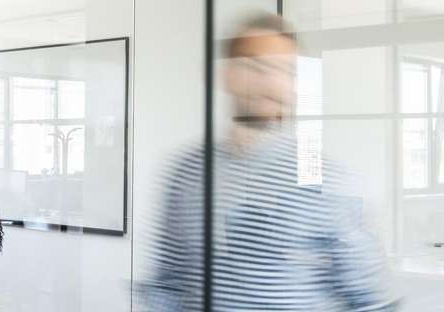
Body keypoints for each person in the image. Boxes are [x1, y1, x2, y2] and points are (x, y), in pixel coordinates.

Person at [140, 13, 396, 311]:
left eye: (287, 71)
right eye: (258, 67)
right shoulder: (187, 173)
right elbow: (167, 285)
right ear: (227, 75)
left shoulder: (329, 180)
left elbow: (372, 301)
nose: (275, 83)